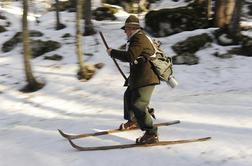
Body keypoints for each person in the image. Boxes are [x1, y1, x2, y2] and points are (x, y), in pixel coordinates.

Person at [106, 15, 160, 144]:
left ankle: (151, 133)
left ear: (132, 28)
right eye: (125, 29)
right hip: (139, 77)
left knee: (138, 105)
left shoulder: (139, 39)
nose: (125, 31)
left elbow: (130, 56)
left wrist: (112, 52)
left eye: (126, 29)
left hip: (147, 78)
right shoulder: (136, 38)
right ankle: (134, 121)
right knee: (128, 95)